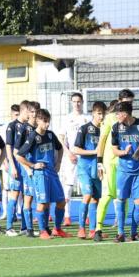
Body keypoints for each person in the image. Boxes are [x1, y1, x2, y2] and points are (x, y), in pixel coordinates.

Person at [17, 109, 70, 239]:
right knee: (42, 203)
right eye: (45, 121)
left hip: (52, 172)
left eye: (48, 121)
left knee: (61, 201)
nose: (47, 124)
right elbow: (19, 155)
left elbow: (60, 148)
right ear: (38, 121)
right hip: (40, 174)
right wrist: (33, 165)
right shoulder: (33, 137)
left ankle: (57, 229)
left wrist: (58, 163)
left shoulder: (51, 135)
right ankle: (42, 231)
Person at [94, 90, 135, 241]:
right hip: (109, 163)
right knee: (107, 195)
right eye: (126, 101)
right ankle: (98, 229)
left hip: (124, 163)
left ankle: (121, 229)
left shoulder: (132, 120)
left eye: (131, 102)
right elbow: (102, 140)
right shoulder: (110, 118)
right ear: (119, 101)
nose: (129, 104)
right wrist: (99, 162)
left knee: (123, 197)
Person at [111, 101, 139, 243]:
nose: (116, 116)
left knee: (138, 201)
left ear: (126, 113)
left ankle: (134, 233)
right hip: (123, 170)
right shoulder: (116, 128)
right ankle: (120, 233)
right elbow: (114, 150)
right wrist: (123, 152)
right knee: (121, 200)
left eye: (118, 113)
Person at [73, 101, 107, 239]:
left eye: (103, 114)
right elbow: (76, 149)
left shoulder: (105, 130)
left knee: (95, 199)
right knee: (87, 196)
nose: (101, 117)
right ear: (93, 113)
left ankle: (93, 230)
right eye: (99, 113)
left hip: (98, 169)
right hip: (85, 168)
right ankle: (81, 228)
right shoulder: (85, 129)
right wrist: (94, 151)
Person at [58, 92, 90, 226]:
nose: (76, 104)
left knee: (86, 187)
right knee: (68, 187)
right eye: (74, 102)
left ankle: (87, 216)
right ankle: (67, 216)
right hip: (70, 157)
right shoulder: (66, 118)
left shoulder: (87, 119)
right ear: (71, 103)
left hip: (85, 157)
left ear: (82, 102)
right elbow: (61, 138)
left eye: (79, 101)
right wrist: (68, 153)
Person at [14, 101, 41, 236]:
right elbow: (16, 152)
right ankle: (29, 229)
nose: (35, 114)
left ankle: (42, 228)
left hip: (40, 169)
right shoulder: (24, 129)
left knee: (41, 199)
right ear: (28, 113)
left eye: (37, 112)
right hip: (29, 169)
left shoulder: (41, 128)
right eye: (32, 112)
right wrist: (27, 167)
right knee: (28, 198)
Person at [4, 100, 29, 236]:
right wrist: (12, 166)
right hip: (16, 164)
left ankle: (24, 227)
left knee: (27, 195)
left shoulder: (27, 126)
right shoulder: (12, 126)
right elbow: (8, 147)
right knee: (14, 194)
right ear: (24, 110)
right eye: (29, 112)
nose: (31, 114)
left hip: (25, 164)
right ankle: (8, 228)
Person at [0, 104, 20, 220]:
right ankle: (6, 212)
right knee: (6, 188)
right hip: (7, 163)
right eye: (15, 115)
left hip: (19, 162)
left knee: (18, 188)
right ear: (11, 114)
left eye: (19, 114)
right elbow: (0, 147)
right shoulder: (5, 127)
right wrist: (4, 162)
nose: (17, 117)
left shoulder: (22, 127)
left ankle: (18, 212)